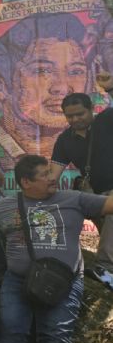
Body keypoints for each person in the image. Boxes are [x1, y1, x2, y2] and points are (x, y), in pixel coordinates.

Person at [0, 155, 113, 343]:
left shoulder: (75, 198)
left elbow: (109, 204)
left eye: (50, 173)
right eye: (45, 175)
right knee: (12, 333)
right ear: (26, 182)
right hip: (17, 280)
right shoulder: (5, 205)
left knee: (54, 338)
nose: (53, 178)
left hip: (64, 280)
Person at [0, 12, 88, 159]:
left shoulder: (94, 144)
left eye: (76, 71)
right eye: (42, 70)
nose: (62, 88)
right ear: (0, 87)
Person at [50, 91, 113, 290]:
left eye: (80, 114)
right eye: (70, 116)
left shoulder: (106, 121)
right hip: (95, 194)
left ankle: (105, 268)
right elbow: (53, 175)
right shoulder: (64, 140)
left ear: (91, 110)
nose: (75, 119)